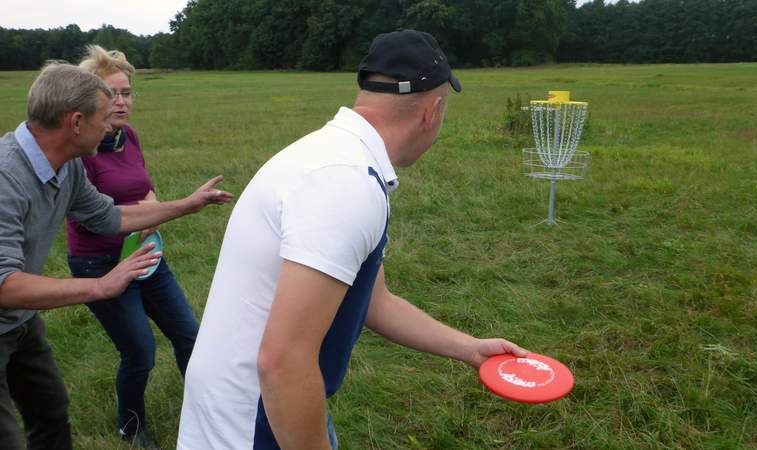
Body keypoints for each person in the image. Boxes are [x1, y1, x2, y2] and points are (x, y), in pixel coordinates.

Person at [177, 29, 527, 449]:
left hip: (271, 401)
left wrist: (469, 348)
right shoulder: (345, 183)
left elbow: (375, 301)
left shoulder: (331, 156)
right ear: (432, 112)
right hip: (252, 419)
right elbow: (284, 363)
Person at [0, 62, 232, 450]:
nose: (110, 128)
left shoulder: (67, 167)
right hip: (9, 310)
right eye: (103, 118)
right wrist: (101, 286)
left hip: (20, 323)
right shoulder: (6, 176)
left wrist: (186, 205)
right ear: (76, 122)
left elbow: (110, 216)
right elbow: (4, 284)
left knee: (52, 415)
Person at [60, 45, 197, 449]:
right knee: (139, 350)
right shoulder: (81, 148)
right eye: (111, 93)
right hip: (99, 264)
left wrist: (153, 206)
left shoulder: (129, 137)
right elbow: (88, 213)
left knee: (190, 336)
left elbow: (143, 186)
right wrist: (157, 211)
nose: (120, 102)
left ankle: (207, 407)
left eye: (127, 93)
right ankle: (131, 427)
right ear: (90, 101)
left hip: (147, 254)